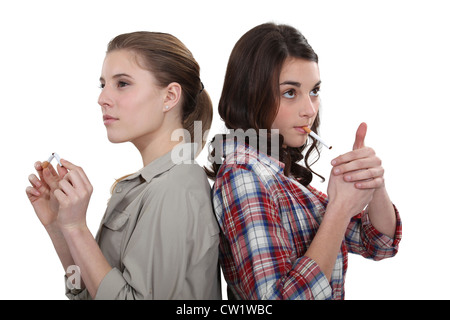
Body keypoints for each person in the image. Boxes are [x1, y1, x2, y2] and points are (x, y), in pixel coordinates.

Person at [207, 23, 402, 300]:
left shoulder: (281, 176)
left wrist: (373, 182)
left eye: (314, 91)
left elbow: (379, 243)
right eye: (290, 92)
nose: (309, 110)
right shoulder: (244, 174)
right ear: (250, 95)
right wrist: (340, 208)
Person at [26, 31, 221, 300]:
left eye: (122, 84)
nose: (102, 98)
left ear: (169, 97)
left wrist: (77, 229)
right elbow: (87, 293)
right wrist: (60, 227)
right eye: (103, 84)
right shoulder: (144, 187)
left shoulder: (176, 187)